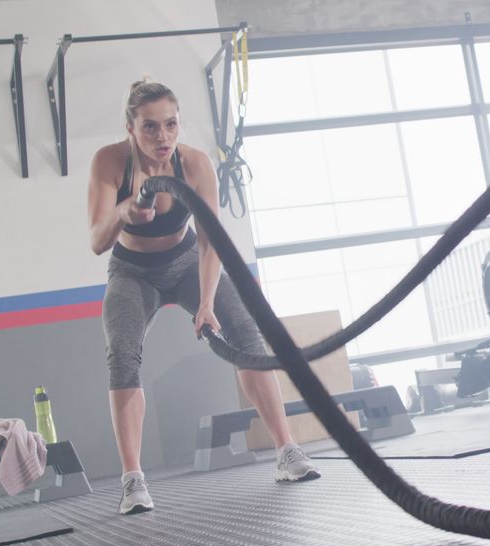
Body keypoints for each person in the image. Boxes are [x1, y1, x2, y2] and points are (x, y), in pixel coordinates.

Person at [88, 79, 320, 515]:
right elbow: (98, 241)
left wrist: (208, 302)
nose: (163, 137)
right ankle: (133, 481)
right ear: (130, 127)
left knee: (245, 335)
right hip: (131, 271)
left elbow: (211, 242)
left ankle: (287, 451)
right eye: (151, 127)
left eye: (171, 125)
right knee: (121, 353)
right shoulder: (110, 163)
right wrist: (123, 212)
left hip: (186, 261)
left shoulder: (193, 165)